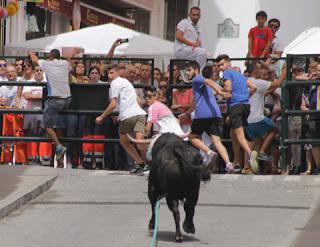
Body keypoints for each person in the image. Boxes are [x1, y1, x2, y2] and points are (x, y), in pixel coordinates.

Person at [29, 48, 80, 165]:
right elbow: (72, 66)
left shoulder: (47, 64)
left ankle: (59, 147)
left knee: (47, 125)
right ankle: (61, 161)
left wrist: (31, 53)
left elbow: (35, 61)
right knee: (59, 127)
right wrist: (68, 56)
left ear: (51, 57)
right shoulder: (65, 64)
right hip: (68, 100)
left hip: (55, 100)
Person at [95, 64, 147, 174]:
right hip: (140, 115)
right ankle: (148, 163)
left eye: (112, 73)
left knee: (124, 142)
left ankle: (141, 163)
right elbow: (138, 100)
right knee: (139, 143)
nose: (109, 76)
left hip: (128, 117)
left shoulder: (114, 83)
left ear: (118, 73)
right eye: (108, 74)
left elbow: (113, 104)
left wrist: (101, 116)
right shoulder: (127, 82)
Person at [185, 61, 234, 172]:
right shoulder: (204, 85)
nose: (187, 73)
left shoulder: (197, 79)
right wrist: (188, 112)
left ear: (196, 70)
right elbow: (196, 102)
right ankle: (228, 164)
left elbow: (208, 81)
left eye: (189, 70)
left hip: (203, 115)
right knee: (217, 142)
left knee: (192, 137)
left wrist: (220, 92)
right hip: (215, 115)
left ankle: (209, 152)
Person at [216, 54, 259, 174]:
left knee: (240, 137)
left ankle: (250, 155)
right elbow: (254, 87)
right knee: (233, 133)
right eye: (219, 65)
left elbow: (228, 88)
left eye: (222, 64)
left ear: (229, 64)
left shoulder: (227, 74)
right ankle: (237, 162)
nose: (220, 67)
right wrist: (244, 98)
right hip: (245, 106)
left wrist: (219, 91)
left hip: (236, 107)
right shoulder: (240, 75)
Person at [143, 85, 185, 161]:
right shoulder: (162, 106)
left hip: (168, 136)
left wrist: (138, 132)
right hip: (181, 136)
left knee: (150, 153)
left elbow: (147, 128)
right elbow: (177, 121)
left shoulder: (152, 108)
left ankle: (148, 166)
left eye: (149, 96)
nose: (146, 99)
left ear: (155, 96)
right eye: (145, 96)